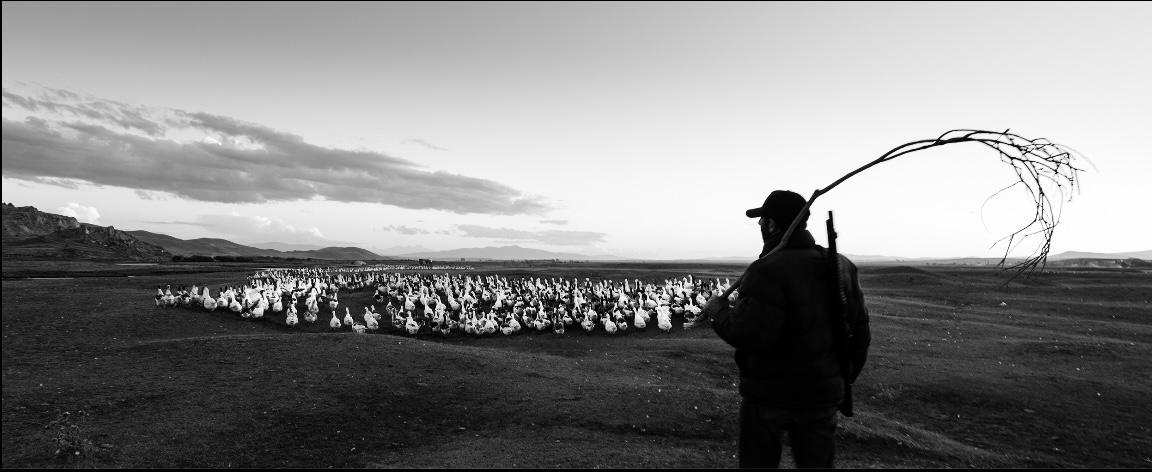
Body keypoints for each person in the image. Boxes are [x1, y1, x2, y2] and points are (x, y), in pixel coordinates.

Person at [704, 190, 871, 468]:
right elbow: (860, 335)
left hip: (768, 400)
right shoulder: (841, 266)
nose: (759, 226)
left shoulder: (765, 270)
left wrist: (718, 312)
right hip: (822, 399)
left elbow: (750, 335)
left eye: (762, 221)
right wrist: (840, 380)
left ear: (772, 225)